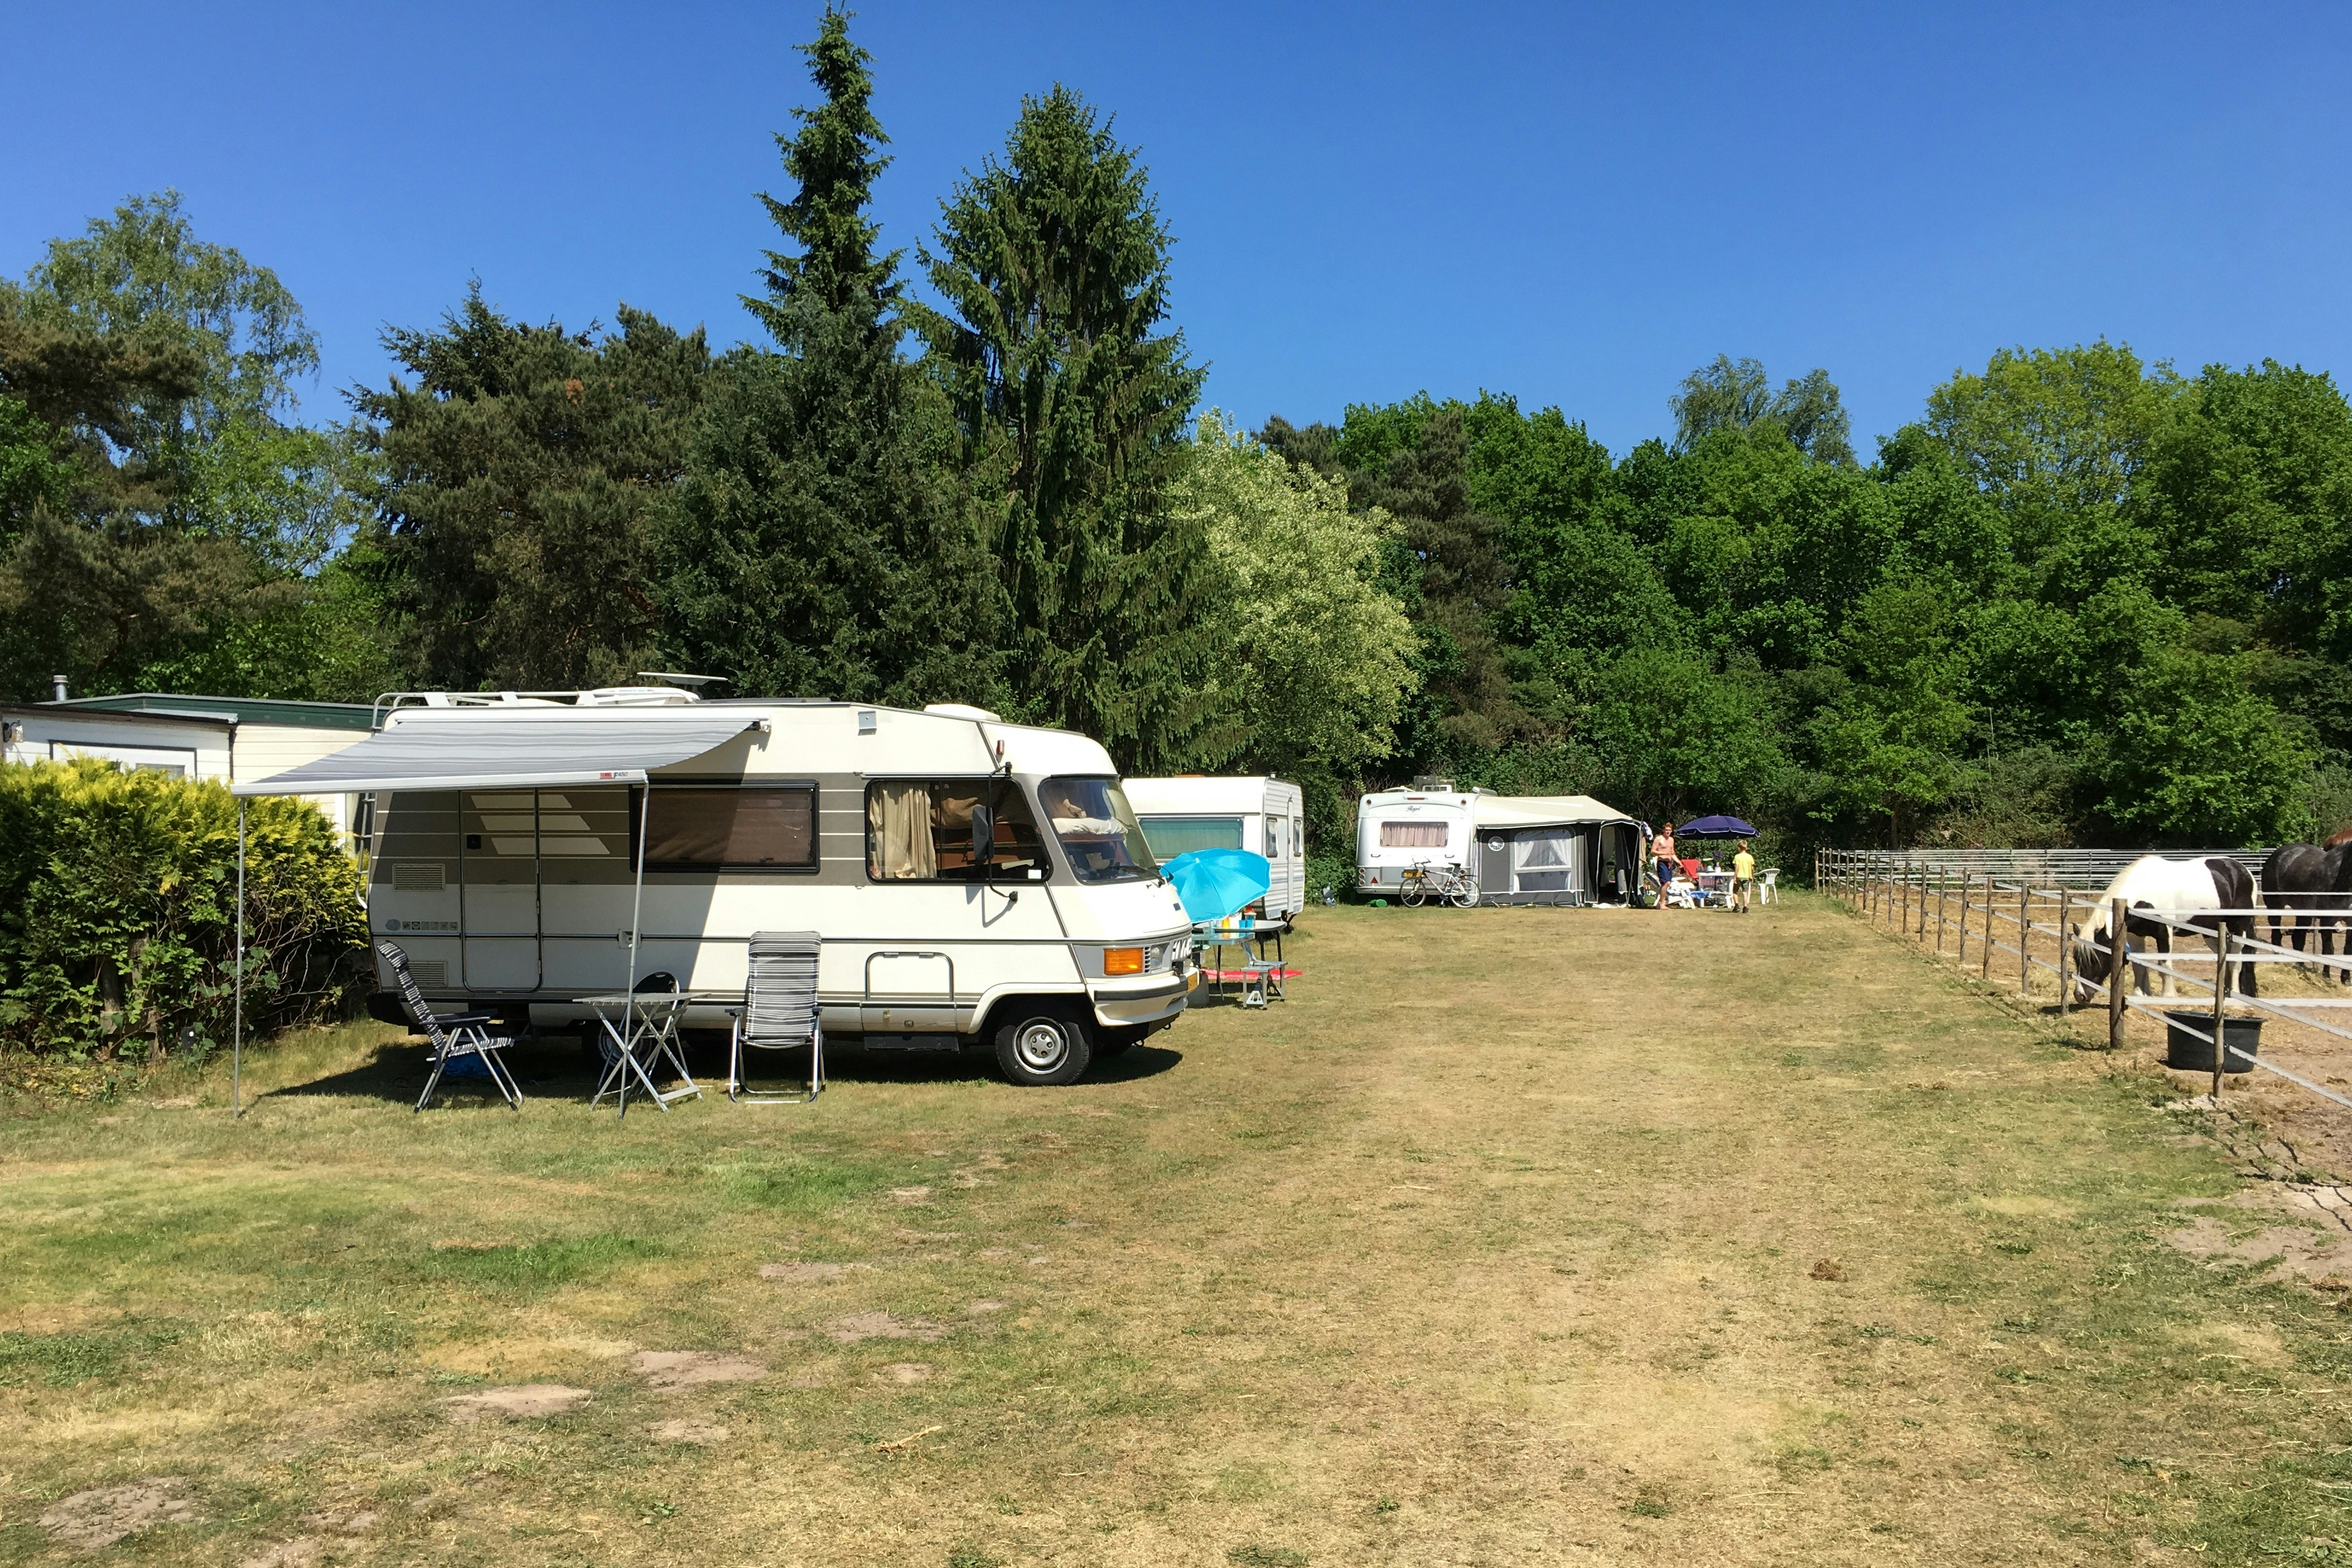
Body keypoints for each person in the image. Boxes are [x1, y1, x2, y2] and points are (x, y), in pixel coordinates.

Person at [1650, 824, 1677, 910]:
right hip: (1662, 862)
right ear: (1663, 830)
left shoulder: (1671, 840)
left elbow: (1672, 853)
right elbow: (1653, 851)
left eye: (1670, 830)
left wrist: (1679, 862)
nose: (1668, 832)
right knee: (1666, 883)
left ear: (1672, 831)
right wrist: (1664, 854)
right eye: (1666, 830)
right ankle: (1662, 903)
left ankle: (1661, 903)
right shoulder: (1659, 839)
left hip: (1669, 863)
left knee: (1667, 883)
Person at [1732, 838, 1757, 914]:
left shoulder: (1737, 857)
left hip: (1739, 876)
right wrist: (1751, 876)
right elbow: (1752, 868)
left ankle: (1737, 906)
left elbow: (1737, 867)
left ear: (1739, 848)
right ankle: (1745, 907)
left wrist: (1735, 876)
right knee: (1745, 892)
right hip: (1746, 876)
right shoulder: (1750, 857)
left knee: (1735, 891)